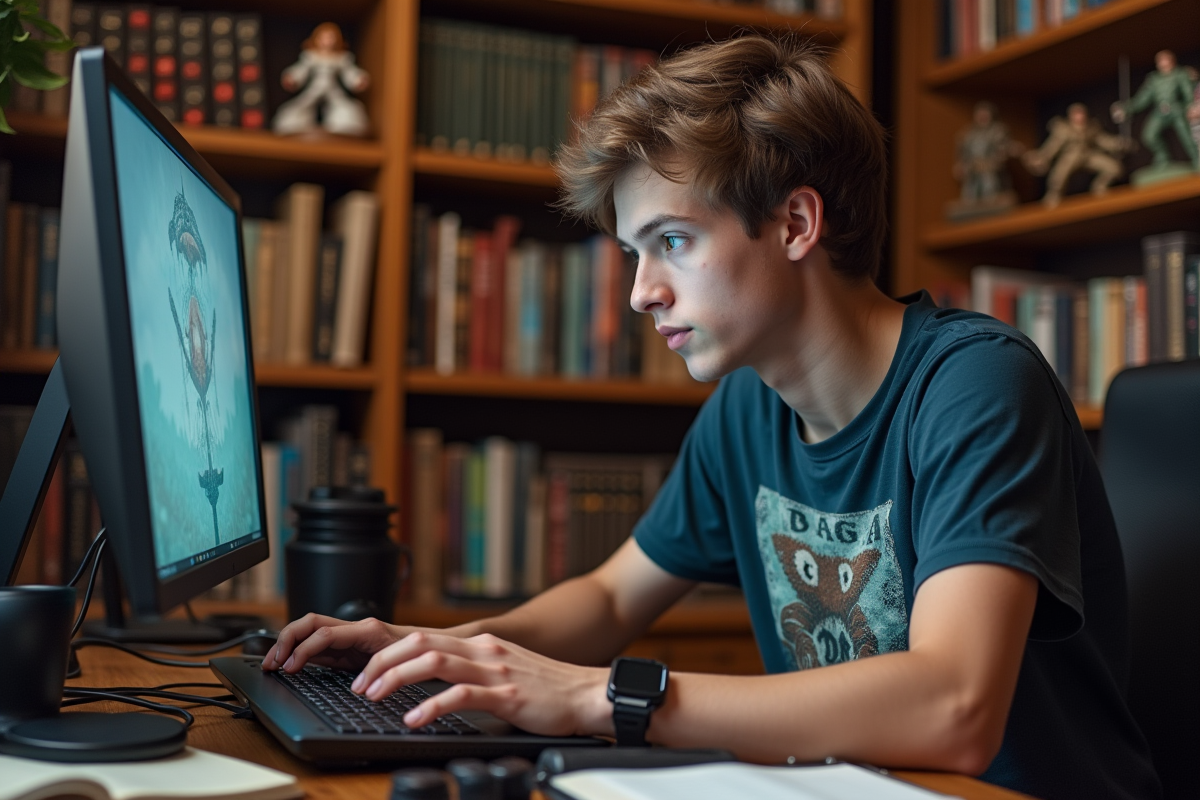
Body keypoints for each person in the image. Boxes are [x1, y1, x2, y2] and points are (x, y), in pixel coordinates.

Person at [264, 35, 1160, 800]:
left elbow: (955, 707)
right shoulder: (747, 407)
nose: (641, 293)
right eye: (633, 253)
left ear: (796, 223)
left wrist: (596, 697)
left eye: (672, 242)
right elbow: (611, 598)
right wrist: (434, 650)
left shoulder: (973, 384)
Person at [1023, 102, 1127, 207]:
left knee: (1114, 168)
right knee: (1058, 176)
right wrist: (1042, 156)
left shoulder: (1091, 128)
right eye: (1076, 114)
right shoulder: (1063, 129)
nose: (1079, 117)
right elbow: (1053, 146)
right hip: (1070, 156)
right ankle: (1053, 195)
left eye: (1081, 114)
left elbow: (1103, 140)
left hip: (1088, 155)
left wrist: (1117, 144)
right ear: (1071, 116)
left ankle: (1100, 186)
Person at [1111, 49, 1199, 172]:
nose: (1163, 63)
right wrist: (1127, 108)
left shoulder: (1180, 74)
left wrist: (1190, 106)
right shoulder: (1154, 80)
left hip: (1177, 110)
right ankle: (1163, 158)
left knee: (1187, 136)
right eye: (1160, 61)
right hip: (1160, 111)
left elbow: (1188, 92)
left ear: (1172, 61)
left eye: (1165, 60)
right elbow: (1142, 98)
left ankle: (1197, 159)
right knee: (1149, 136)